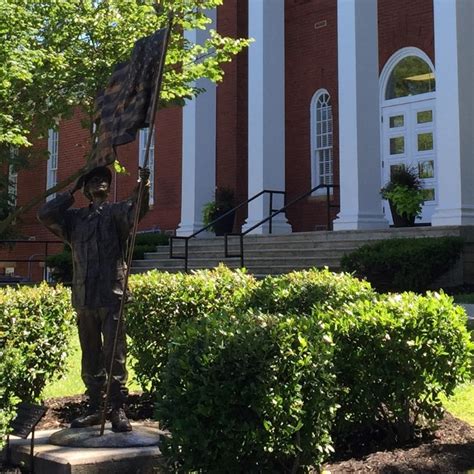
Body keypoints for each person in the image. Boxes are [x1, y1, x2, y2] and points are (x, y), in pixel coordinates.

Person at [38, 165, 150, 432]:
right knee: (90, 354)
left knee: (115, 354)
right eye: (93, 180)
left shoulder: (116, 213)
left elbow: (137, 212)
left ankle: (116, 408)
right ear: (86, 189)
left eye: (104, 180)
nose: (100, 182)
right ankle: (94, 407)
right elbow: (44, 215)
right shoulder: (74, 220)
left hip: (112, 294)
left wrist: (142, 189)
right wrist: (71, 191)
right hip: (85, 296)